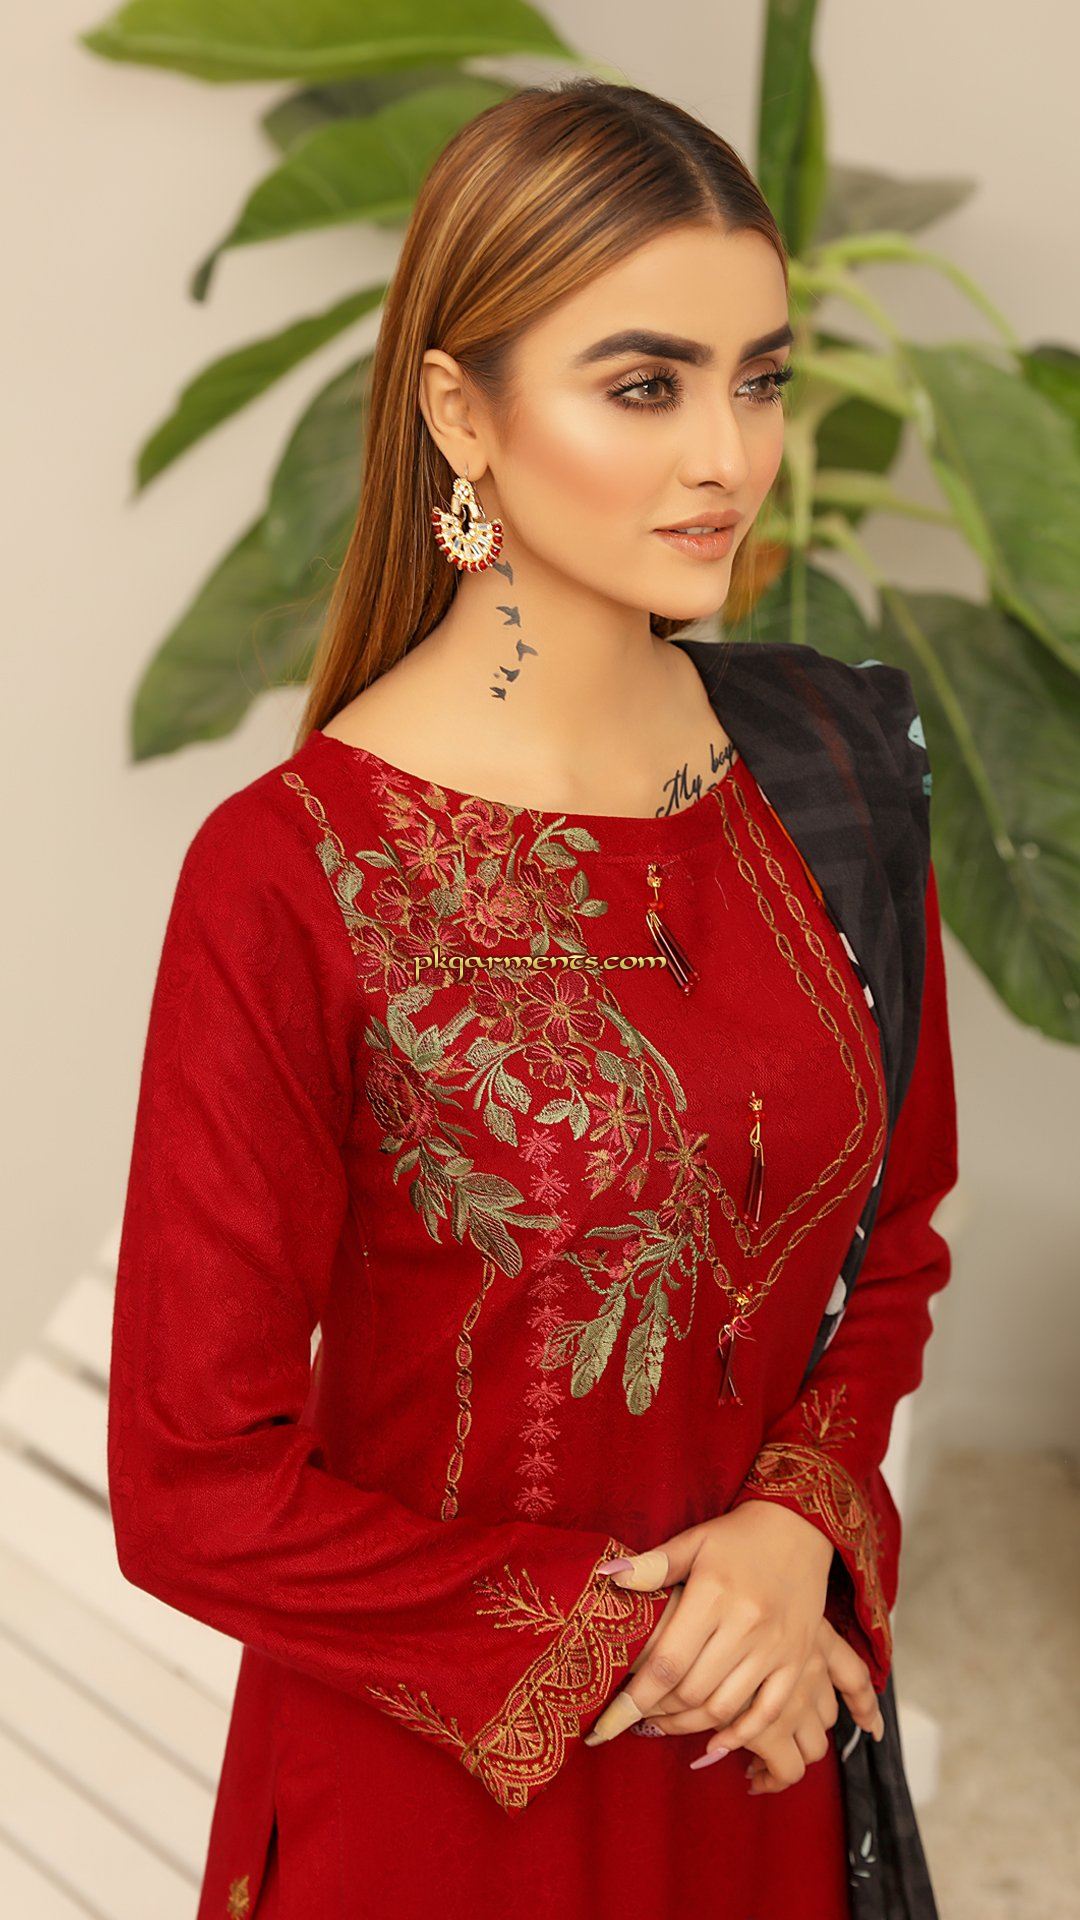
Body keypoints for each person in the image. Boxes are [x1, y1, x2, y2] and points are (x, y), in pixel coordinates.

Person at [108, 78, 958, 1920]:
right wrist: (641, 1643)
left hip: (759, 1767)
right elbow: (194, 1486)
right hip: (439, 1815)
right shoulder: (295, 874)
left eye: (760, 378)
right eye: (646, 385)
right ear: (459, 414)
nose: (727, 456)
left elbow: (892, 1247)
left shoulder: (833, 771)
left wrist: (791, 1528)